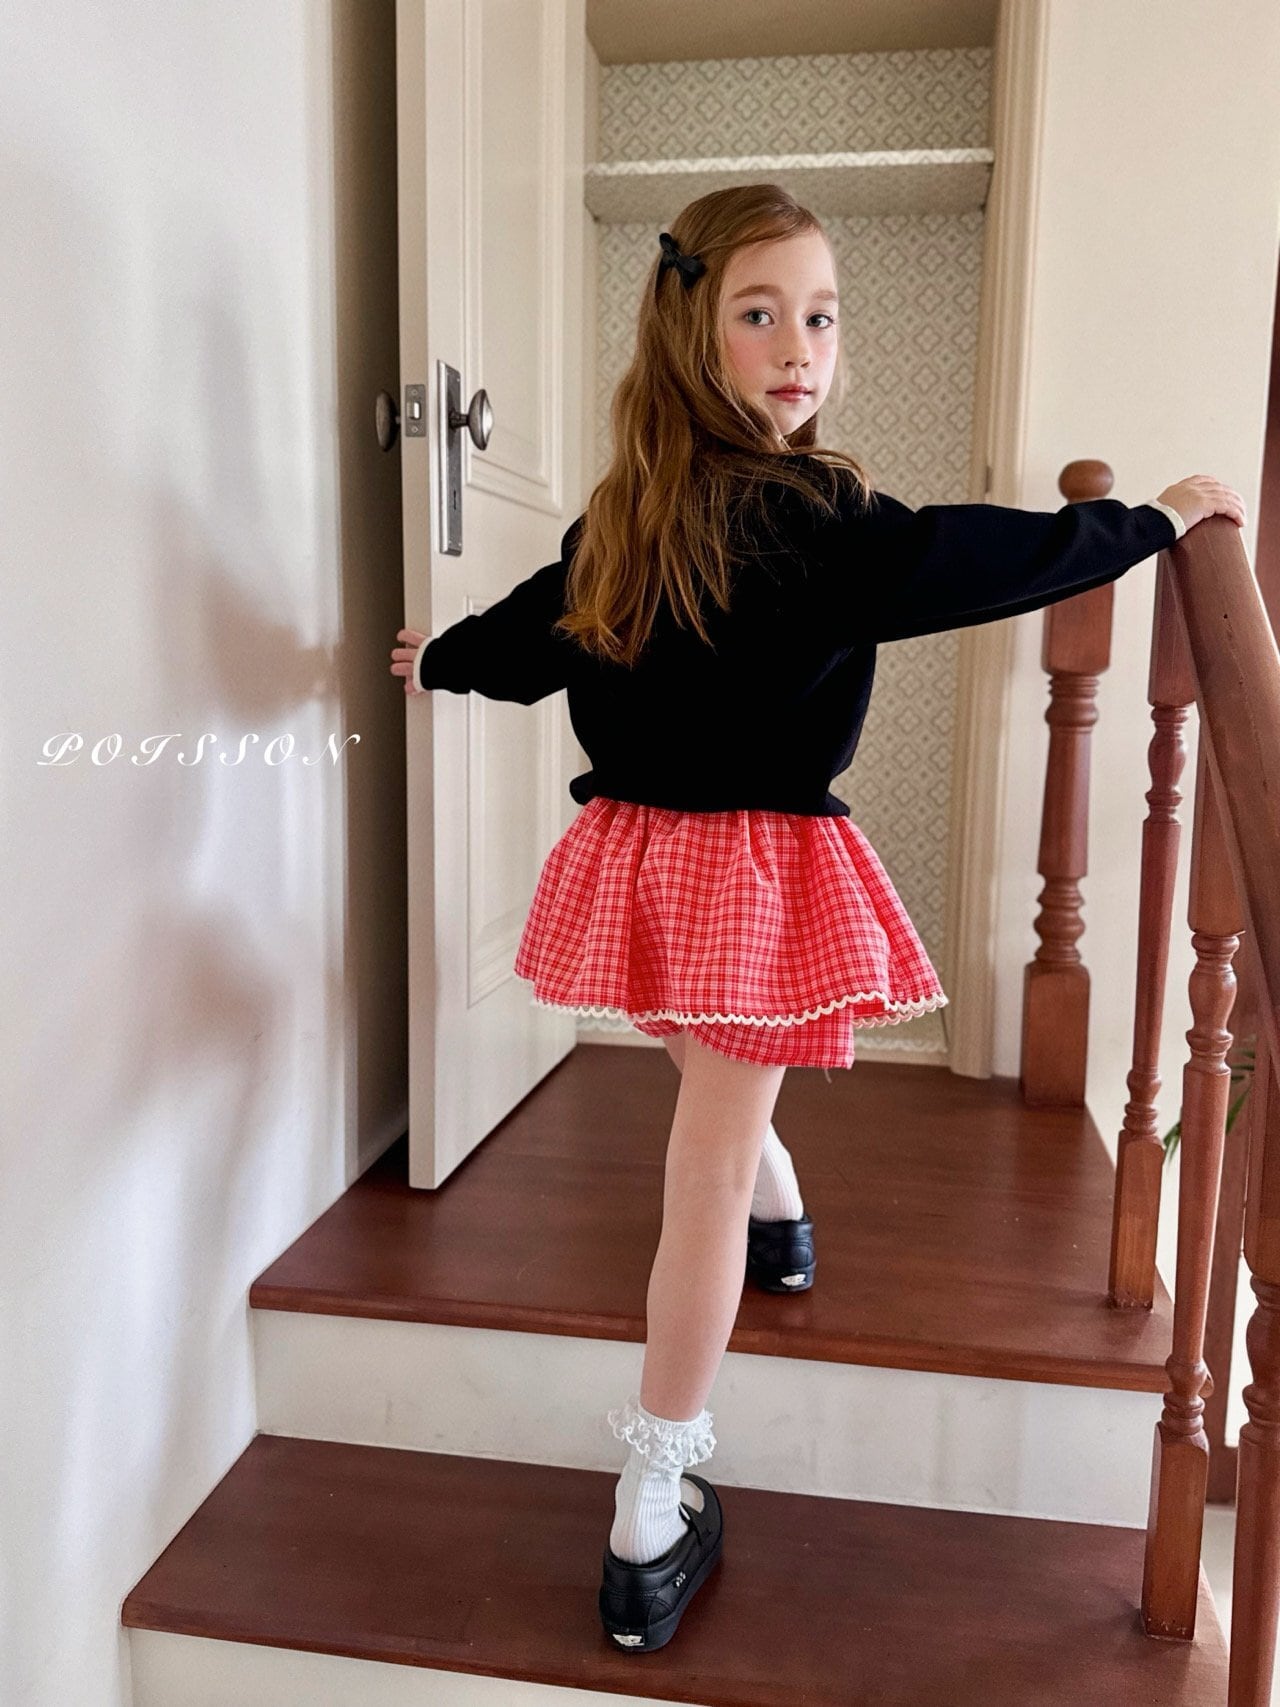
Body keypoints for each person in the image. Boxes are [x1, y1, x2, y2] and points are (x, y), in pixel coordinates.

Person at [389, 183, 1246, 1655]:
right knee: (706, 1161)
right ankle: (651, 1497)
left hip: (640, 853)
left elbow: (529, 636)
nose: (801, 347)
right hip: (753, 868)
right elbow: (989, 555)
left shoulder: (629, 513)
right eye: (761, 313)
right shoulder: (811, 515)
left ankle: (778, 1210)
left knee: (711, 1087)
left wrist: (440, 660)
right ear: (692, 331)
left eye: (823, 317)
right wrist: (1148, 523)